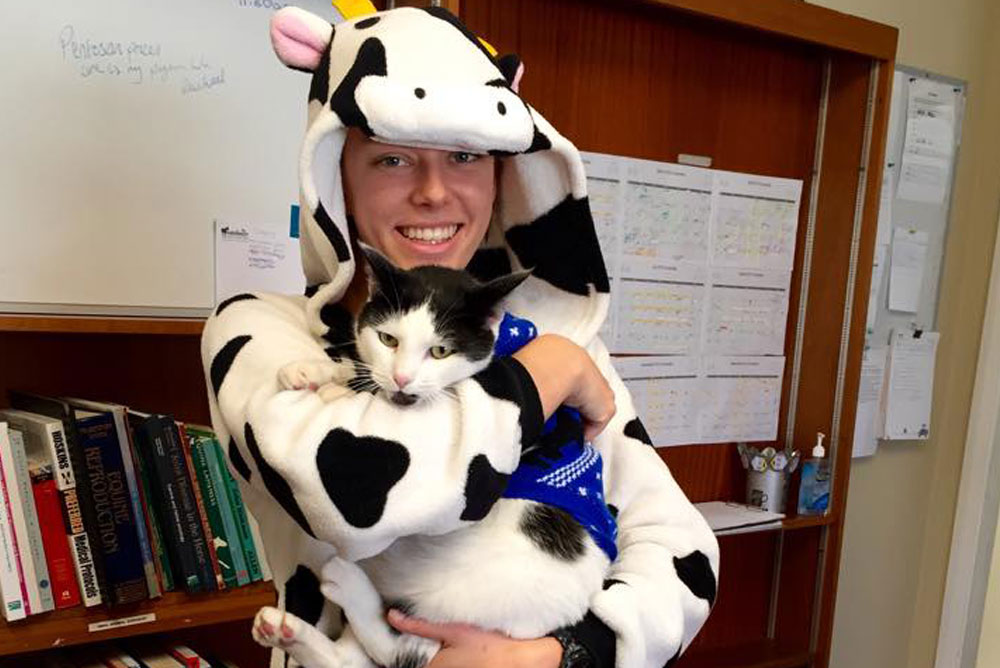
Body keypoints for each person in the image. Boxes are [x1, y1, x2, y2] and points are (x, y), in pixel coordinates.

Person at [201, 6, 719, 668]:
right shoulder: (256, 332)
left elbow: (682, 548)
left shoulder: (559, 338)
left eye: (467, 155)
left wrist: (556, 655)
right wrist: (543, 376)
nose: (435, 192)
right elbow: (354, 498)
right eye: (392, 158)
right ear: (334, 175)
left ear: (504, 172)